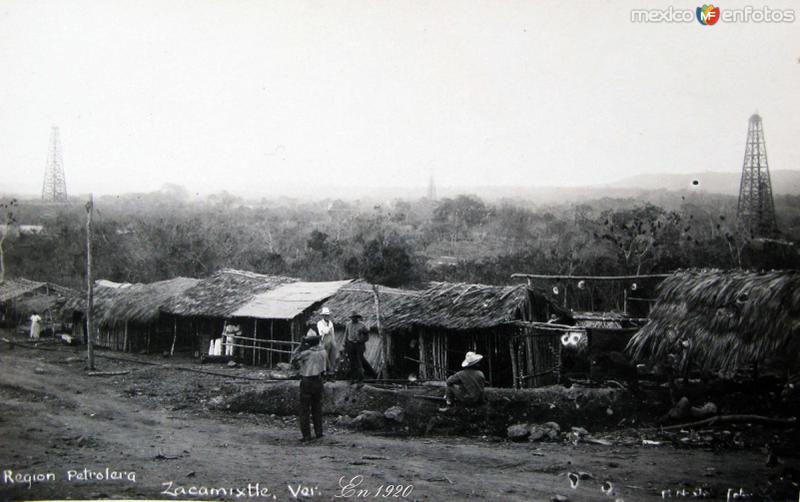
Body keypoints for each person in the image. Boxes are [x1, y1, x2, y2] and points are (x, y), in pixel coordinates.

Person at [290, 330, 327, 442]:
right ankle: (319, 432)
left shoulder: (307, 353)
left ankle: (306, 435)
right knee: (317, 407)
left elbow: (293, 359)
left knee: (304, 409)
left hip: (307, 381)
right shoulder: (323, 352)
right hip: (319, 380)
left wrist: (301, 345)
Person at [344, 311, 369, 386]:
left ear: (357, 318)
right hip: (350, 345)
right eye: (352, 317)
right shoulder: (348, 325)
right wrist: (344, 344)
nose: (353, 319)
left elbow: (367, 337)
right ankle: (352, 378)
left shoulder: (362, 325)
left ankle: (360, 380)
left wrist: (361, 340)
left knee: (359, 362)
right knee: (352, 362)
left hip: (359, 345)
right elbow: (346, 335)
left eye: (355, 317)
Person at [316, 307, 338, 377]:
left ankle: (331, 373)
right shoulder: (320, 323)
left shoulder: (330, 323)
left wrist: (334, 341)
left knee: (332, 356)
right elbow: (324, 332)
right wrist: (328, 328)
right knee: (325, 357)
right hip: (324, 341)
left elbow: (332, 333)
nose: (327, 316)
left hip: (331, 340)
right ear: (323, 316)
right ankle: (324, 373)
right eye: (325, 315)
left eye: (328, 315)